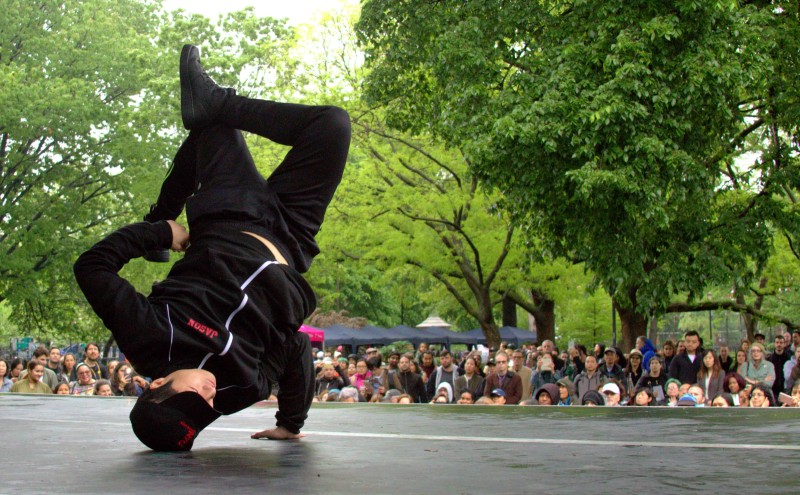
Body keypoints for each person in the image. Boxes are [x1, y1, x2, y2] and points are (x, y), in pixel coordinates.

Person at [73, 44, 350, 451]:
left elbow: (92, 267)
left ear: (160, 384)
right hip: (291, 236)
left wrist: (160, 234)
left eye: (194, 395)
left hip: (230, 218)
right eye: (206, 409)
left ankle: (164, 206)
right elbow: (293, 348)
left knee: (213, 127)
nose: (209, 394)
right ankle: (212, 106)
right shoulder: (234, 390)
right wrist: (291, 422)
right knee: (332, 126)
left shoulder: (148, 337)